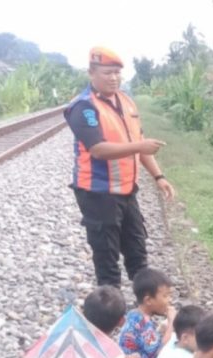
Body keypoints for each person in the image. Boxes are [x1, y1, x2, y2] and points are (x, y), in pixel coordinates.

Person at [64, 46, 176, 287]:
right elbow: (98, 149)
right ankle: (111, 314)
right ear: (91, 72)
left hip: (126, 191)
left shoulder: (126, 101)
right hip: (97, 193)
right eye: (107, 73)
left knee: (137, 251)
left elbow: (139, 142)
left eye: (117, 73)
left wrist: (159, 176)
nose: (114, 78)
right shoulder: (83, 107)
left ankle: (145, 308)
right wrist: (139, 147)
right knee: (107, 257)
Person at [118, 268, 175, 358]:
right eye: (165, 296)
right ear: (148, 300)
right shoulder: (142, 324)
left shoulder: (135, 314)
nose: (169, 300)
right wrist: (172, 323)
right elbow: (161, 351)